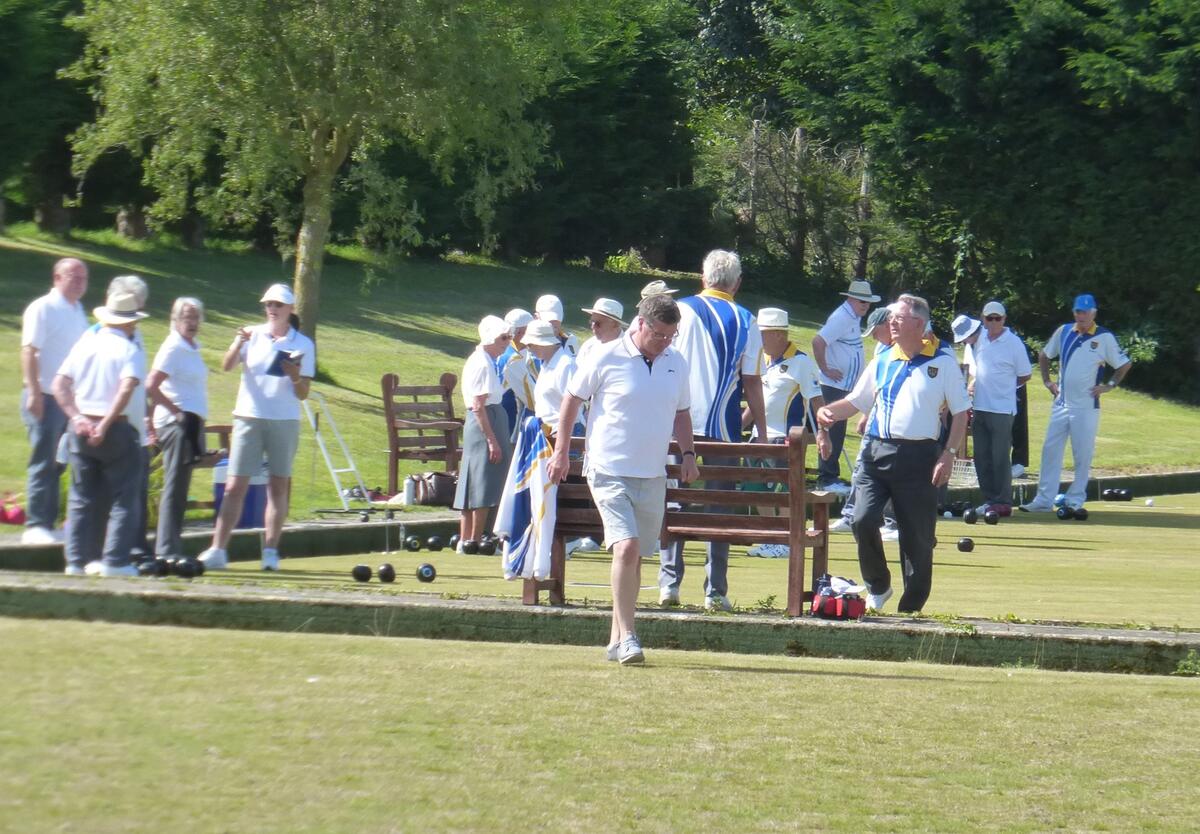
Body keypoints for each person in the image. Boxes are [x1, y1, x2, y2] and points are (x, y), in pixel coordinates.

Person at [548, 294, 699, 665]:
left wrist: (688, 455)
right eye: (659, 334)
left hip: (652, 472)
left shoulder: (676, 361)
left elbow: (682, 413)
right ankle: (630, 637)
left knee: (636, 556)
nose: (665, 342)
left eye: (671, 336)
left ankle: (617, 638)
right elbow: (571, 400)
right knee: (627, 547)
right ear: (641, 323)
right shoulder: (605, 356)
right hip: (608, 468)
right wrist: (561, 451)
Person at [817, 294, 970, 613]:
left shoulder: (942, 363)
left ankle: (910, 609)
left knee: (917, 538)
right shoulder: (883, 358)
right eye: (891, 318)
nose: (891, 323)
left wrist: (949, 453)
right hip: (877, 452)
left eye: (898, 318)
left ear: (918, 323)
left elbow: (960, 413)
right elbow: (856, 402)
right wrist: (828, 412)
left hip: (920, 456)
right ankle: (878, 584)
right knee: (862, 519)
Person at [659, 249, 766, 611]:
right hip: (725, 427)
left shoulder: (680, 310)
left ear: (702, 277)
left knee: (675, 500)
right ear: (737, 283)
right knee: (720, 507)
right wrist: (761, 431)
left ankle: (669, 585)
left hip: (677, 422)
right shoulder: (746, 320)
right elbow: (752, 382)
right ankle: (715, 590)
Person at [199, 284, 315, 571]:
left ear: (290, 309)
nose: (272, 309)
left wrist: (294, 376)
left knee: (278, 485)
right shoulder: (251, 334)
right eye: (269, 304)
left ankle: (271, 552)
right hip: (248, 416)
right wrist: (238, 343)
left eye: (278, 305)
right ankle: (217, 549)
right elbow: (226, 365)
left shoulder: (303, 344)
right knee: (234, 485)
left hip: (284, 420)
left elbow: (303, 393)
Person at [51, 288, 147, 576]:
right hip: (117, 428)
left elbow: (59, 385)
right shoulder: (130, 349)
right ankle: (115, 561)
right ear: (130, 323)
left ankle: (75, 562)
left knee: (81, 498)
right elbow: (126, 388)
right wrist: (104, 424)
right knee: (124, 497)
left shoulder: (85, 344)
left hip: (80, 428)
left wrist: (77, 417)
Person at [1020, 293, 1131, 512]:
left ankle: (1075, 499)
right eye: (1079, 311)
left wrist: (1109, 385)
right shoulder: (1064, 331)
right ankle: (1043, 500)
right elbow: (1044, 355)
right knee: (1050, 450)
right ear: (1074, 312)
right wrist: (1047, 381)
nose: (1082, 316)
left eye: (1086, 312)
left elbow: (1123, 364)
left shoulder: (1104, 337)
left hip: (1086, 406)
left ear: (1094, 313)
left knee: (1082, 454)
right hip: (1061, 404)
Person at [743, 307, 828, 558]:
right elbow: (756, 402)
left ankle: (785, 540)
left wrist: (823, 433)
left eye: (763, 334)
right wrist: (738, 427)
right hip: (758, 438)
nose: (759, 340)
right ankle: (771, 537)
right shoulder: (762, 361)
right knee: (757, 490)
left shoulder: (802, 362)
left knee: (783, 492)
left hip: (785, 438)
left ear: (779, 334)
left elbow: (817, 401)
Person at [20, 257, 89, 544]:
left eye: (83, 278)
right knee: (44, 460)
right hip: (45, 397)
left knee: (61, 462)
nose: (79, 282)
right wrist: (34, 392)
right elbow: (29, 350)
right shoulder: (43, 308)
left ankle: (51, 523)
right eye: (73, 276)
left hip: (69, 401)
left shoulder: (78, 310)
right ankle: (36, 525)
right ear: (57, 277)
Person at [146, 297, 209, 559]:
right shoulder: (173, 347)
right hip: (177, 426)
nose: (192, 322)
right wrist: (176, 412)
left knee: (181, 489)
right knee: (175, 488)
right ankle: (166, 551)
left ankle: (171, 547)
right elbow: (151, 385)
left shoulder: (192, 347)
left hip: (191, 424)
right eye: (186, 317)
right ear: (175, 319)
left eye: (195, 317)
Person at [829, 304, 899, 540]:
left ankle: (892, 523)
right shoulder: (882, 350)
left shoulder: (904, 351)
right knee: (862, 470)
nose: (875, 337)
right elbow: (872, 391)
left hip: (895, 430)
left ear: (887, 325)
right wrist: (866, 415)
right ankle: (851, 515)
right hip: (876, 425)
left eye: (876, 332)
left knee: (888, 474)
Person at [961, 302, 1032, 514]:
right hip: (980, 406)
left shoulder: (1014, 343)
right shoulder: (979, 339)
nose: (993, 322)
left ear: (1004, 319)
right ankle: (990, 500)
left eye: (997, 318)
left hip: (1002, 408)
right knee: (981, 456)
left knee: (999, 457)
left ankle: (1003, 501)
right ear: (983, 319)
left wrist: (1006, 386)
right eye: (989, 318)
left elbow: (1025, 374)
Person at [812, 279, 881, 494]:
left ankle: (830, 475)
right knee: (831, 431)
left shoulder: (852, 317)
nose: (865, 305)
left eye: (868, 302)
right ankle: (827, 478)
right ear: (850, 298)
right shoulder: (841, 317)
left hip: (843, 386)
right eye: (861, 301)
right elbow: (818, 341)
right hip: (833, 385)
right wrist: (825, 368)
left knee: (837, 432)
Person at [453, 315, 515, 551]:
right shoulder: (482, 363)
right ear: (490, 338)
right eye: (503, 338)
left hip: (487, 420)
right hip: (485, 423)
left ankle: (468, 540)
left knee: (477, 481)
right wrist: (492, 440)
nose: (507, 342)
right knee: (482, 483)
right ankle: (474, 540)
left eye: (508, 337)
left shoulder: (484, 360)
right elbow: (478, 406)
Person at [522, 319, 576, 439]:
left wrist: (560, 433)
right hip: (546, 431)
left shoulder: (566, 365)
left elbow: (574, 404)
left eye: (530, 345)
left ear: (543, 343)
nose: (528, 349)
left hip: (562, 432)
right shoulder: (545, 364)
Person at [498, 308, 535, 439]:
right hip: (506, 420)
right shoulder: (513, 358)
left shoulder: (502, 350)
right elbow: (532, 399)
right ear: (519, 333)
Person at [575, 298, 626, 364]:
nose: (593, 326)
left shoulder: (629, 350)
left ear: (615, 324)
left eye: (598, 323)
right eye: (592, 322)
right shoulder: (589, 346)